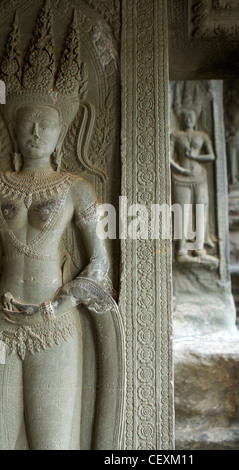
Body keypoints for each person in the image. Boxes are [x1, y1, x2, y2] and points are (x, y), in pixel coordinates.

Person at [0, 3, 124, 450]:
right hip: (1, 323)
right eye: (26, 122)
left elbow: (99, 268)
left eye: (46, 123)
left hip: (55, 325)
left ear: (61, 131)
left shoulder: (76, 189)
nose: (35, 131)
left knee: (51, 443)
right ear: (12, 130)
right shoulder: (0, 185)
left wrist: (53, 307)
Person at [170, 107, 216, 263]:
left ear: (196, 118)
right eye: (186, 116)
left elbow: (211, 156)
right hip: (181, 178)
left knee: (201, 211)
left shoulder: (201, 135)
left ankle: (199, 249)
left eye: (192, 116)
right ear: (182, 119)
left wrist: (197, 156)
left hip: (199, 176)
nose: (189, 119)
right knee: (182, 212)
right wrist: (181, 170)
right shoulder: (176, 135)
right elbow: (168, 157)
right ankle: (181, 251)